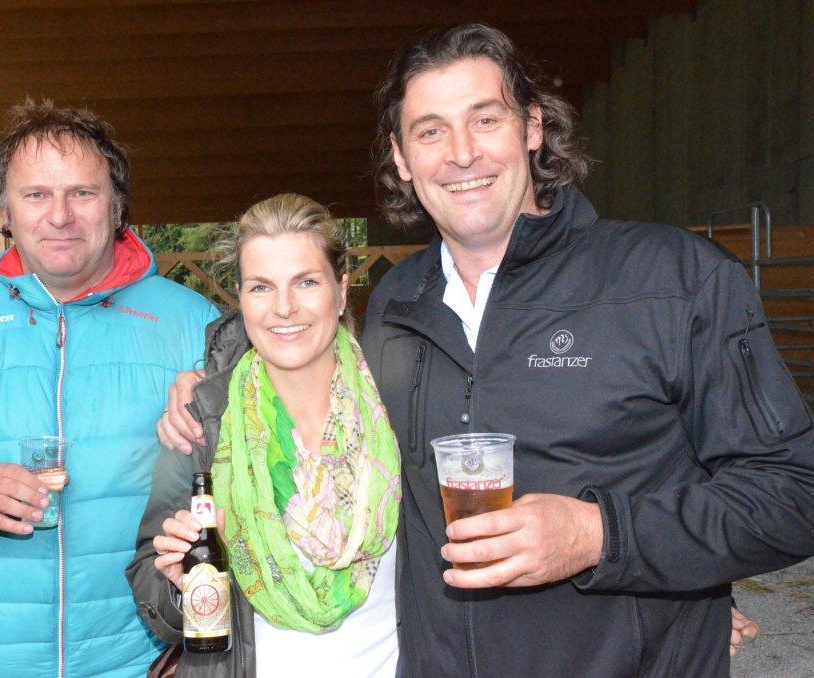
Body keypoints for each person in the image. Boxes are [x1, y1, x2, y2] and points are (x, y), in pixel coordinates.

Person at [160, 24, 811, 677]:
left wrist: (601, 536)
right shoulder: (399, 304)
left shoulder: (671, 282)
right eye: (431, 131)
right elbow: (322, 388)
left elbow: (793, 492)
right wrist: (210, 385)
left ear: (533, 127)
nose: (462, 154)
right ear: (402, 158)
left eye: (486, 119)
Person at [0, 100, 218, 676]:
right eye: (36, 195)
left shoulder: (193, 323)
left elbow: (266, 469)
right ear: (5, 212)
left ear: (117, 208)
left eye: (83, 193)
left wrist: (219, 412)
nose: (60, 215)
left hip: (145, 660)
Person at [128, 194, 402, 677]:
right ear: (241, 299)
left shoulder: (397, 406)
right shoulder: (204, 423)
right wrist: (178, 586)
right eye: (261, 287)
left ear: (340, 292)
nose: (284, 307)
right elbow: (151, 575)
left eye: (307, 282)